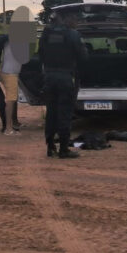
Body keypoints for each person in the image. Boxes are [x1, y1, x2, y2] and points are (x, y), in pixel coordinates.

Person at [39, 11, 87, 158]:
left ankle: (50, 146)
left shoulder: (46, 34)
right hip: (65, 78)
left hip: (49, 77)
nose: (76, 21)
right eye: (75, 18)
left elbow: (40, 54)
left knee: (51, 112)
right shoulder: (73, 35)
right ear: (67, 19)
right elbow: (83, 57)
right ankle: (64, 149)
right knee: (65, 113)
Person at [0, 6, 35, 135]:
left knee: (12, 99)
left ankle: (13, 123)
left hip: (6, 71)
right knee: (10, 99)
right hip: (10, 73)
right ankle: (8, 128)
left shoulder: (10, 37)